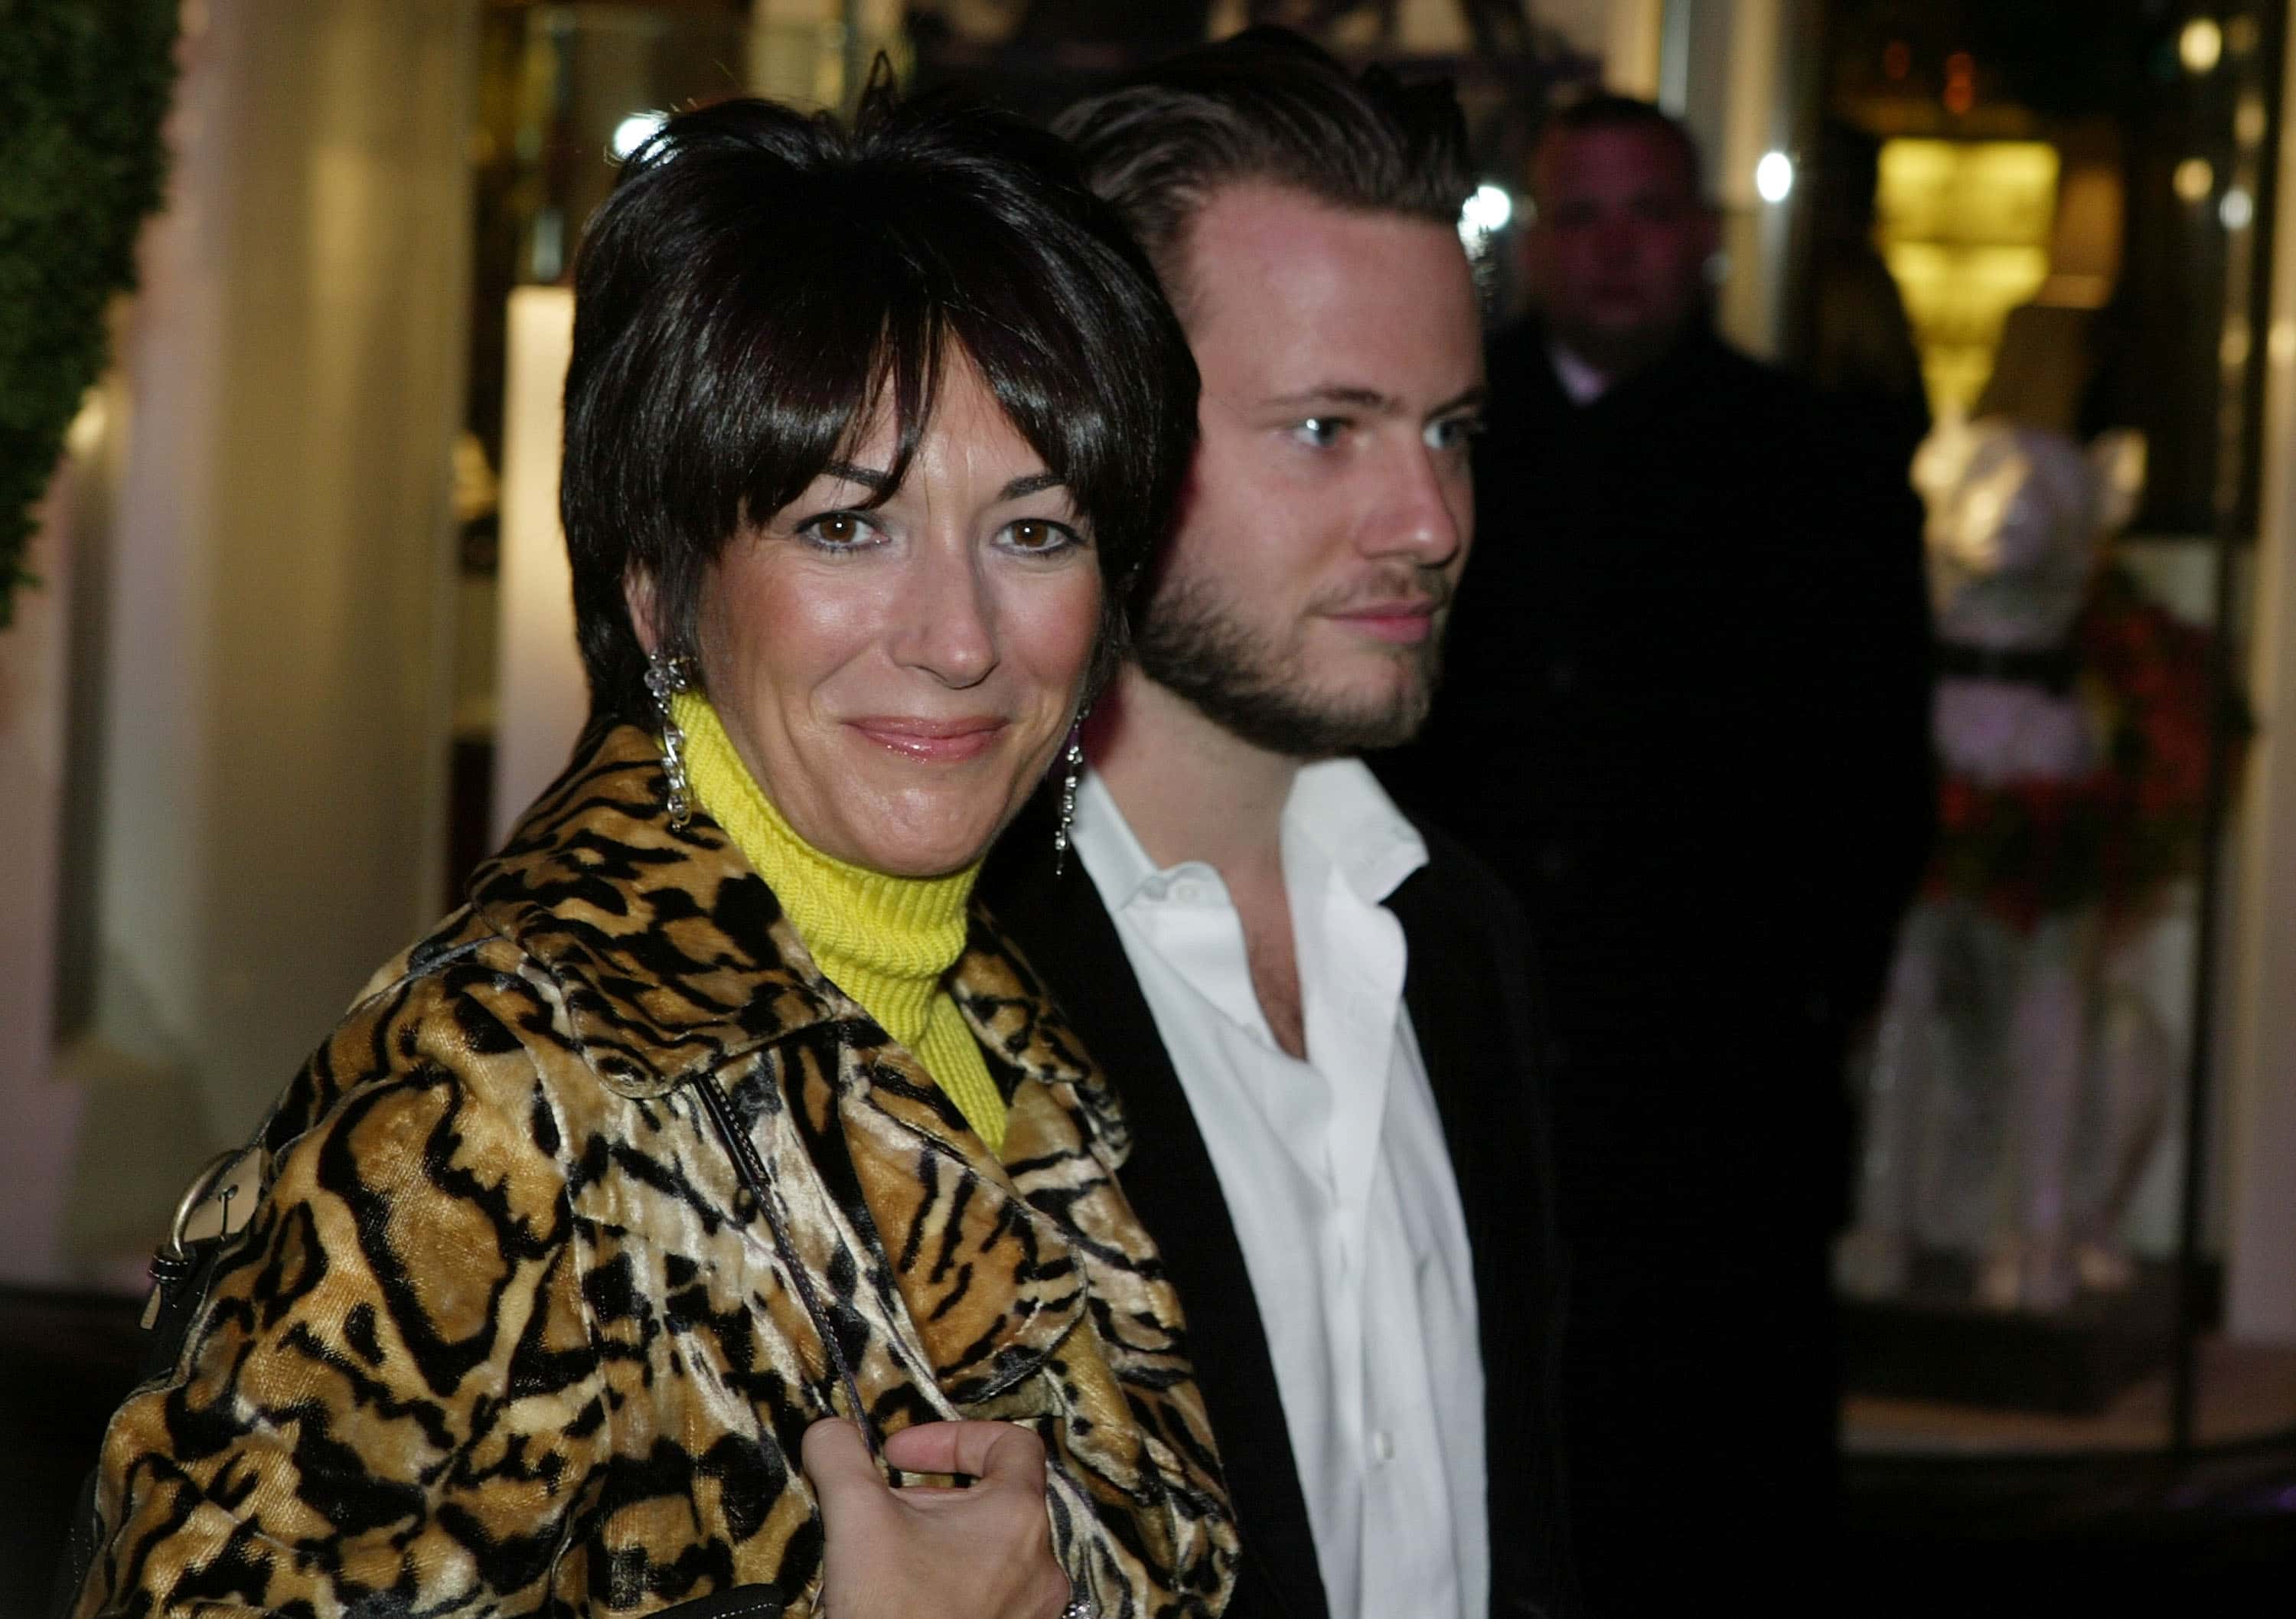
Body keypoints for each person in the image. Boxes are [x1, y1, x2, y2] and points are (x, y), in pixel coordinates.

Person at [64, 88, 1235, 1619]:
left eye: (1035, 532)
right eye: (847, 527)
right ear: (660, 589)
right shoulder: (494, 1090)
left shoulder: (1000, 1028)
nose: (961, 639)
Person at [982, 29, 1567, 1619]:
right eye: (1327, 428)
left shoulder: (1458, 940)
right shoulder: (947, 984)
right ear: (1099, 431)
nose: (1429, 521)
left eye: (1452, 430)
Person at [1392, 93, 1933, 1613]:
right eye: (1583, 215)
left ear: (1701, 238)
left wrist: (1814, 994)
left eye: (1646, 214)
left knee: (1721, 1478)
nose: (1616, 249)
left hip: (1723, 1078)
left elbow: (1880, 772)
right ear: (1532, 241)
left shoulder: (1816, 456)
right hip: (1471, 1051)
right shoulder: (1440, 447)